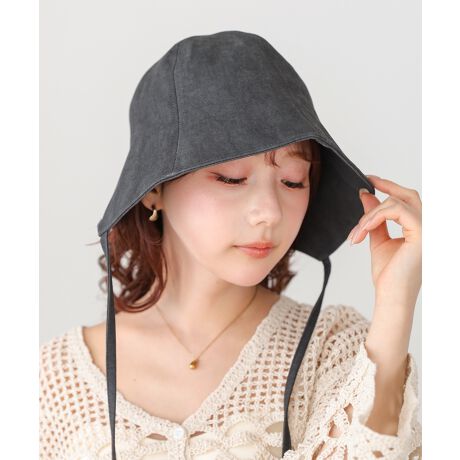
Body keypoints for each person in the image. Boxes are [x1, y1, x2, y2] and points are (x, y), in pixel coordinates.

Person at [39, 30, 422, 459]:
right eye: (232, 178)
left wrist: (396, 302)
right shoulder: (55, 383)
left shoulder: (335, 349)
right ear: (153, 190)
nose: (270, 212)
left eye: (292, 181)